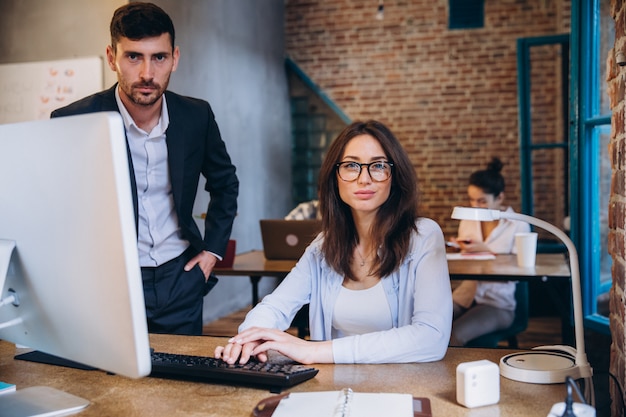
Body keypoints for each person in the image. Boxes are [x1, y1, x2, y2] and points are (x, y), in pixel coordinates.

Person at [51, 2, 239, 336]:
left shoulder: (197, 117)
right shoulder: (73, 122)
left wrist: (211, 253)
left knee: (181, 382)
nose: (147, 74)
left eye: (159, 57)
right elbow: (58, 210)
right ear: (112, 57)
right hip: (109, 284)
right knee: (109, 386)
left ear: (175, 58)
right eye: (133, 56)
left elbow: (225, 184)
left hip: (180, 277)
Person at [215, 120, 452, 365]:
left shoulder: (423, 235)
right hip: (334, 389)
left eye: (378, 166)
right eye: (351, 165)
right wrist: (249, 338)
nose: (364, 178)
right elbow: (276, 307)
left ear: (395, 175)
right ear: (334, 177)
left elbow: (431, 337)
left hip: (400, 389)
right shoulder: (323, 246)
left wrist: (313, 351)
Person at [449, 157, 530, 346]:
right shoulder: (468, 220)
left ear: (500, 197)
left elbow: (520, 270)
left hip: (497, 303)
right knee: (428, 325)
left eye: (482, 201)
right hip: (464, 296)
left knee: (452, 337)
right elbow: (466, 264)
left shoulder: (518, 224)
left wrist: (488, 251)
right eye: (471, 200)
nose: (475, 207)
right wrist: (461, 250)